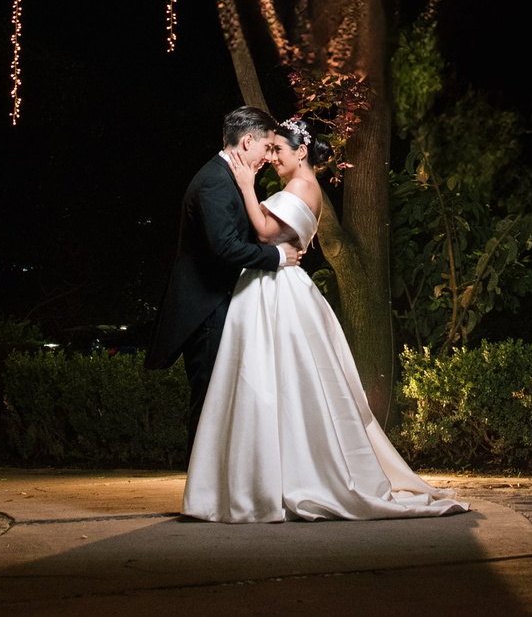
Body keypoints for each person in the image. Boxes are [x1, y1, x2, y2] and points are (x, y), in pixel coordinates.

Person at [180, 115, 467, 523]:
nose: (273, 157)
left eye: (279, 149)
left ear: (301, 152)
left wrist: (245, 187)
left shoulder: (302, 187)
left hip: (278, 292)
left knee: (278, 382)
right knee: (269, 383)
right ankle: (263, 478)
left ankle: (275, 480)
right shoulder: (295, 186)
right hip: (270, 288)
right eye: (271, 148)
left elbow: (263, 232)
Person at [147, 106, 304, 432]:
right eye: (265, 148)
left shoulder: (227, 178)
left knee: (222, 407)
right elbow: (224, 248)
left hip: (219, 308)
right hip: (207, 313)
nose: (267, 157)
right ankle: (202, 484)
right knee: (209, 408)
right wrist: (277, 256)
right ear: (248, 141)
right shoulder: (215, 182)